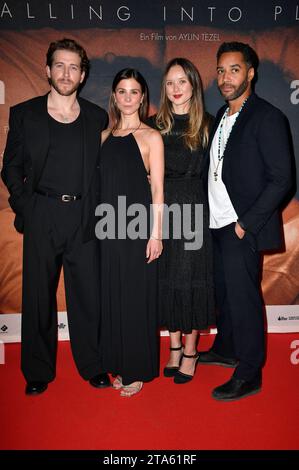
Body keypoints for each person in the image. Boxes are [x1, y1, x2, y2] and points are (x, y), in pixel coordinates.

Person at [1, 38, 110, 394]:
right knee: (38, 297)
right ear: (48, 71)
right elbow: (11, 168)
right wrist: (26, 207)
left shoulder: (96, 117)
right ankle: (37, 371)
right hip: (42, 214)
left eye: (73, 67)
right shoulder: (24, 113)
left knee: (88, 297)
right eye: (60, 65)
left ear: (82, 75)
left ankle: (93, 364)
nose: (66, 73)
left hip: (83, 216)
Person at [199, 41, 293, 401]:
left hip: (241, 227)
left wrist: (246, 223)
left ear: (250, 73)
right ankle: (226, 348)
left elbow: (282, 179)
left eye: (234, 70)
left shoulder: (267, 117)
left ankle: (250, 372)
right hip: (218, 224)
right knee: (224, 295)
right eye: (221, 70)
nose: (225, 78)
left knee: (244, 299)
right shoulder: (221, 116)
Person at [148, 58, 215, 384]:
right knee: (167, 279)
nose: (176, 89)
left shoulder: (208, 125)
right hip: (162, 210)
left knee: (190, 280)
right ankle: (173, 346)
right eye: (170, 83)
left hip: (195, 210)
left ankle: (191, 350)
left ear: (193, 85)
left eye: (182, 82)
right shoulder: (153, 125)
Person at [98, 68, 164, 397]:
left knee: (137, 301)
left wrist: (156, 235)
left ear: (142, 97)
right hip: (107, 229)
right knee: (113, 297)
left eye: (133, 91)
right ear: (114, 96)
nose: (127, 97)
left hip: (138, 229)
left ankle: (137, 369)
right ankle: (120, 363)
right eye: (121, 91)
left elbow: (158, 192)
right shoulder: (104, 137)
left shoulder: (151, 137)